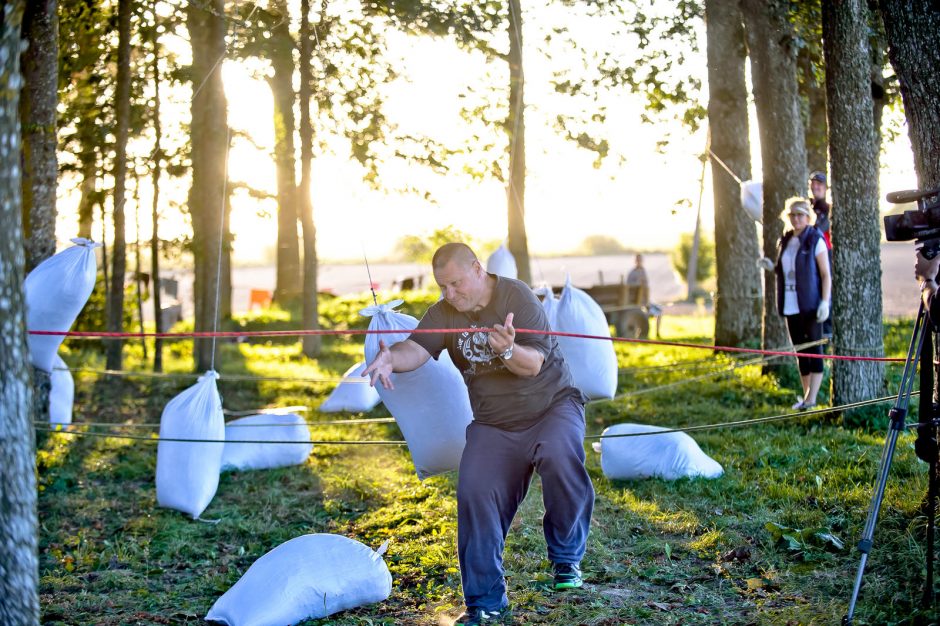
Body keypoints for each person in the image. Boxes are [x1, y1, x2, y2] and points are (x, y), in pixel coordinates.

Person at [363, 242, 594, 625]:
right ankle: (486, 602)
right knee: (474, 490)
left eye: (455, 283)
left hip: (552, 406)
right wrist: (390, 358)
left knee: (559, 454)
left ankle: (566, 558)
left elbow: (534, 363)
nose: (449, 294)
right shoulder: (444, 312)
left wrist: (506, 350)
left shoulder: (515, 296)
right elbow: (416, 350)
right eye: (442, 287)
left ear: (476, 268)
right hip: (494, 423)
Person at [774, 197, 832, 410]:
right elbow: (786, 269)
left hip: (811, 305)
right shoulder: (786, 240)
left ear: (808, 217)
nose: (796, 219)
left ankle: (812, 398)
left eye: (800, 215)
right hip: (790, 304)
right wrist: (772, 266)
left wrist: (825, 302)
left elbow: (826, 275)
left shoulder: (815, 239)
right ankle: (806, 398)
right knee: (800, 352)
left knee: (814, 351)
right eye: (793, 215)